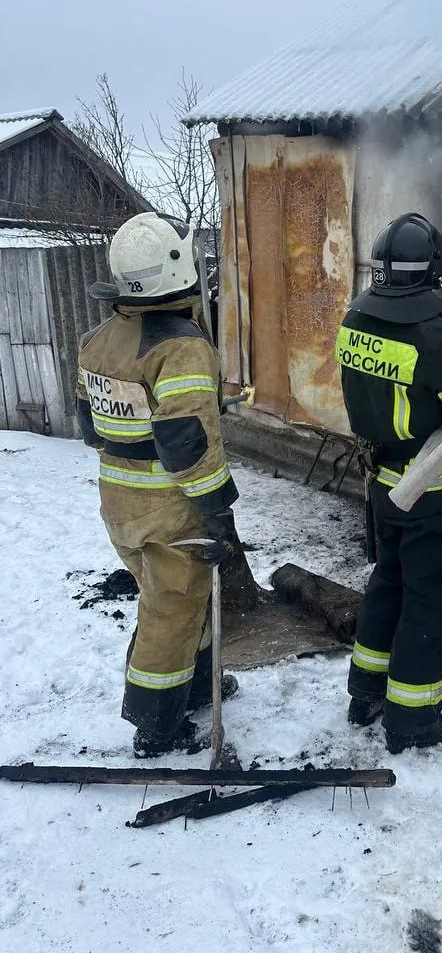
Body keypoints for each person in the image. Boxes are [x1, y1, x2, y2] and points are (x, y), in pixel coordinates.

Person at [76, 211, 239, 759]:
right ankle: (156, 725)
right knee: (169, 612)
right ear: (176, 266)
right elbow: (187, 446)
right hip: (171, 504)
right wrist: (218, 511)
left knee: (182, 596)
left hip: (119, 502)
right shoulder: (181, 348)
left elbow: (90, 425)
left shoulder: (98, 340)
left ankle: (198, 685)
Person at [337, 212, 442, 755]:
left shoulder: (355, 320)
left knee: (389, 581)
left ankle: (366, 694)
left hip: (383, 481)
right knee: (431, 600)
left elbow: (414, 379)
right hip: (436, 491)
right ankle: (413, 718)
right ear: (433, 272)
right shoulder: (440, 339)